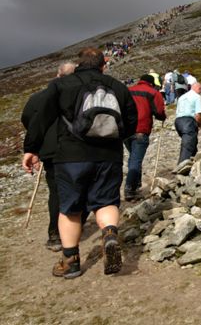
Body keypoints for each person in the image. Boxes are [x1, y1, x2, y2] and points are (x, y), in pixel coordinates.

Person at [22, 47, 137, 279]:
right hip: (108, 156)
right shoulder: (117, 86)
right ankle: (110, 235)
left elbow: (41, 117)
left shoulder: (61, 85)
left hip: (71, 156)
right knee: (106, 201)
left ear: (79, 63)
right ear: (103, 64)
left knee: (70, 208)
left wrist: (31, 149)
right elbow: (131, 122)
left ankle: (71, 261)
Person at [20, 61, 77, 251]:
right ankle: (71, 226)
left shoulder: (38, 98)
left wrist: (37, 142)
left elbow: (27, 118)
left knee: (56, 191)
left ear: (57, 75)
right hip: (75, 148)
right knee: (77, 186)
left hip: (50, 150)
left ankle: (55, 234)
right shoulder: (78, 93)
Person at [124, 74, 166, 201]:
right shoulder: (152, 92)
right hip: (141, 129)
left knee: (133, 158)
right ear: (151, 83)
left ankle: (136, 185)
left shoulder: (128, 90)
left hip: (126, 130)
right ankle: (130, 189)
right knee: (136, 160)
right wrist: (163, 117)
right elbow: (159, 112)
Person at [174, 82, 201, 165]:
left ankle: (195, 161)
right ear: (199, 88)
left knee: (191, 141)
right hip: (188, 121)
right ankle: (182, 166)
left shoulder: (182, 97)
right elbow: (198, 114)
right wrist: (199, 124)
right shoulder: (196, 96)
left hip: (178, 121)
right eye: (200, 90)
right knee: (188, 144)